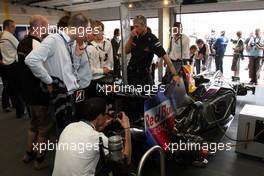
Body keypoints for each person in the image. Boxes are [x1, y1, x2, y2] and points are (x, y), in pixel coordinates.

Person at [25, 13, 91, 131]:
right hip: (61, 96)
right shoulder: (54, 40)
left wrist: (77, 56)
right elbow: (31, 60)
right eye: (87, 30)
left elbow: (72, 70)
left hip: (72, 94)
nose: (87, 34)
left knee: (71, 132)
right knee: (63, 133)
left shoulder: (72, 43)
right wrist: (49, 81)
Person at [52, 97, 132, 176]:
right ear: (99, 117)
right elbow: (125, 160)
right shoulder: (98, 138)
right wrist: (127, 127)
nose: (108, 115)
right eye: (106, 113)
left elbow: (86, 139)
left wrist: (101, 125)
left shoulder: (69, 127)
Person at [17, 15, 54, 170]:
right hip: (39, 93)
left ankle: (28, 153)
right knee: (43, 129)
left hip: (27, 93)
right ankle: (39, 160)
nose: (47, 29)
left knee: (33, 125)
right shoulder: (36, 44)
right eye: (46, 26)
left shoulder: (22, 43)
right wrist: (50, 82)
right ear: (39, 27)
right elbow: (42, 68)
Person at [125, 15, 178, 86]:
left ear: (144, 26)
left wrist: (175, 75)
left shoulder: (152, 39)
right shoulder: (134, 36)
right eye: (134, 26)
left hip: (143, 76)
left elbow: (166, 58)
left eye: (137, 26)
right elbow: (126, 51)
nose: (134, 29)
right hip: (131, 73)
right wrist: (131, 37)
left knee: (145, 95)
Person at [0, 19, 25, 118]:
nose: (14, 28)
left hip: (5, 66)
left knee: (10, 88)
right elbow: (20, 47)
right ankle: (20, 111)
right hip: (13, 66)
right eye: (12, 26)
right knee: (18, 90)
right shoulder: (8, 36)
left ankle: (11, 106)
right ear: (6, 27)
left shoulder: (2, 36)